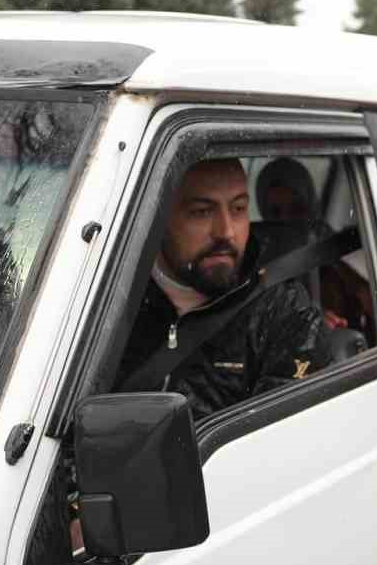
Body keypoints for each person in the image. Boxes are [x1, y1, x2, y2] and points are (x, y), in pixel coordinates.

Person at [114, 157, 326, 420]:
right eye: (202, 212)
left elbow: (282, 443)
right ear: (158, 218)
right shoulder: (110, 298)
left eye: (238, 208)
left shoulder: (284, 312)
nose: (226, 232)